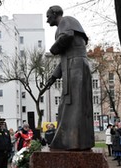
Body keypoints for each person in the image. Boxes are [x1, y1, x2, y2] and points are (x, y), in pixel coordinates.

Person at [41, 5, 94, 150]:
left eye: (48, 16)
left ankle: (75, 142)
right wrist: (52, 78)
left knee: (76, 105)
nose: (47, 20)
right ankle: (69, 141)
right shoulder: (62, 28)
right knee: (68, 105)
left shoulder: (66, 21)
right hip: (71, 66)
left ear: (54, 13)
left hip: (76, 66)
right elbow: (63, 58)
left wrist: (53, 49)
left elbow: (68, 36)